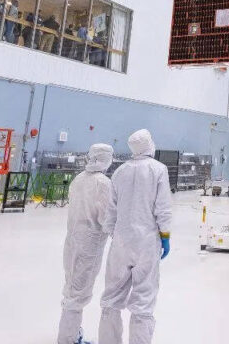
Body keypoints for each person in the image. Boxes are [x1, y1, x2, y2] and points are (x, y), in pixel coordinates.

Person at [99, 129, 172, 344]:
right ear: (149, 144)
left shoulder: (120, 171)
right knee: (143, 300)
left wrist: (116, 235)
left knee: (112, 297)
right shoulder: (158, 169)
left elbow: (111, 210)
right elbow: (163, 207)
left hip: (121, 242)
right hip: (147, 242)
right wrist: (165, 235)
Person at [58, 144, 116, 344]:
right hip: (89, 244)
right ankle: (68, 339)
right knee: (79, 292)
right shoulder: (103, 183)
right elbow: (107, 218)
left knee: (71, 287)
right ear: (105, 158)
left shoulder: (79, 179)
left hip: (72, 239)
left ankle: (70, 332)